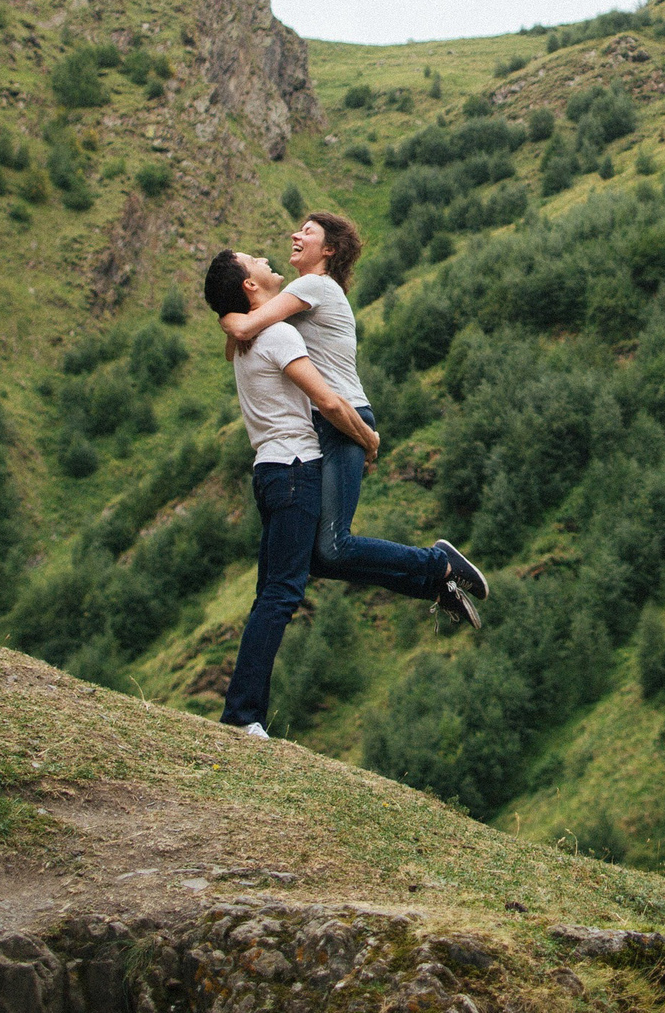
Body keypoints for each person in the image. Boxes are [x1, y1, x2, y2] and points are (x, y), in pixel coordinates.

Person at [205, 239, 485, 740]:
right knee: (284, 592)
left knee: (288, 581)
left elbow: (234, 326)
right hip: (296, 469)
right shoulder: (281, 336)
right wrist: (370, 440)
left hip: (266, 473)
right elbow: (329, 403)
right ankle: (243, 716)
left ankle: (242, 713)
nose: (267, 260)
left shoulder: (244, 341)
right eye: (256, 263)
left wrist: (230, 316)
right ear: (250, 286)